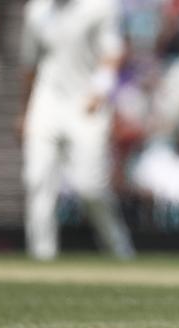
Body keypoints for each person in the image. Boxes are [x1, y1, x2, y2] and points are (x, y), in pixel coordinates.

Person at [18, 0, 135, 261]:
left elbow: (113, 52)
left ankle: (119, 248)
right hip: (46, 102)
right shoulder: (37, 10)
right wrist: (25, 110)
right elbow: (30, 65)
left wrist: (101, 91)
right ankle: (42, 257)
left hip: (86, 104)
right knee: (37, 180)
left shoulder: (101, 7)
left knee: (90, 187)